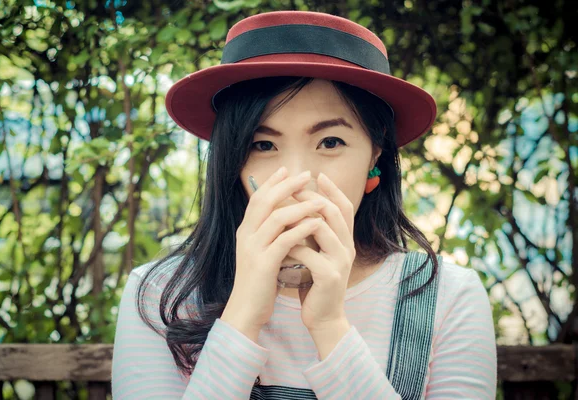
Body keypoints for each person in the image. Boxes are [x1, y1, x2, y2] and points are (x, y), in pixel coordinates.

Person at [111, 10, 497, 399]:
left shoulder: (447, 296)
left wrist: (329, 326)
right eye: (263, 145)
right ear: (231, 164)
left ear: (374, 158)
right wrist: (244, 313)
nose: (298, 180)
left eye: (330, 142)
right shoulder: (160, 293)